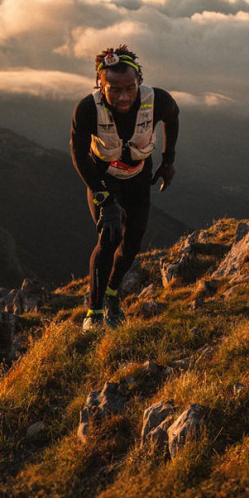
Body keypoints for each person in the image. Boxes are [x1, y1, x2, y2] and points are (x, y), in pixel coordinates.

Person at [70, 45, 179, 330]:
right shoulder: (86, 109)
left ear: (139, 80)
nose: (123, 97)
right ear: (100, 84)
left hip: (138, 178)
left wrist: (168, 162)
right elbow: (79, 155)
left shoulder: (157, 100)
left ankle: (112, 294)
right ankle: (93, 314)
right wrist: (103, 197)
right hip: (103, 177)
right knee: (110, 237)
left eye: (130, 88)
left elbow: (173, 118)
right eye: (114, 90)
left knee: (132, 244)